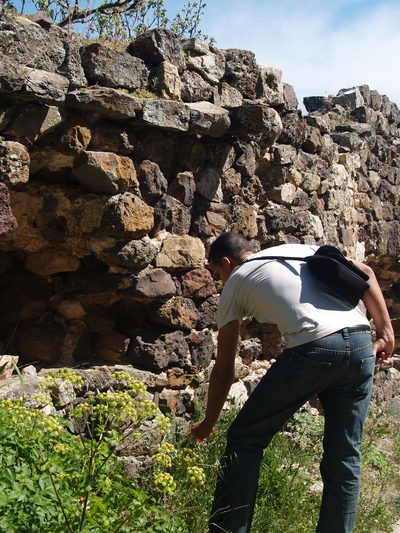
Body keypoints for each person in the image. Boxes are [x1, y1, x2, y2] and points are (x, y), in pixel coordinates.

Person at [191, 232, 394, 533]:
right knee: (345, 455)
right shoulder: (298, 250)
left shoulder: (235, 281)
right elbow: (366, 273)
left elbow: (223, 369)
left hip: (316, 346)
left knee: (245, 439)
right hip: (361, 341)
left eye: (217, 274)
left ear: (225, 262)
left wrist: (208, 422)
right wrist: (386, 332)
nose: (220, 280)